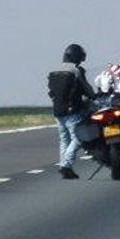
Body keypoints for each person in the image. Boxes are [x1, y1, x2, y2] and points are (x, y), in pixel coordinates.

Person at [47, 43, 95, 179]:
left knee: (64, 139)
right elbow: (86, 88)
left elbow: (51, 92)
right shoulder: (76, 71)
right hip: (72, 111)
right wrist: (94, 96)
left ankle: (66, 167)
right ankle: (66, 165)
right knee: (79, 138)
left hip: (57, 110)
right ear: (77, 57)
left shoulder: (53, 71)